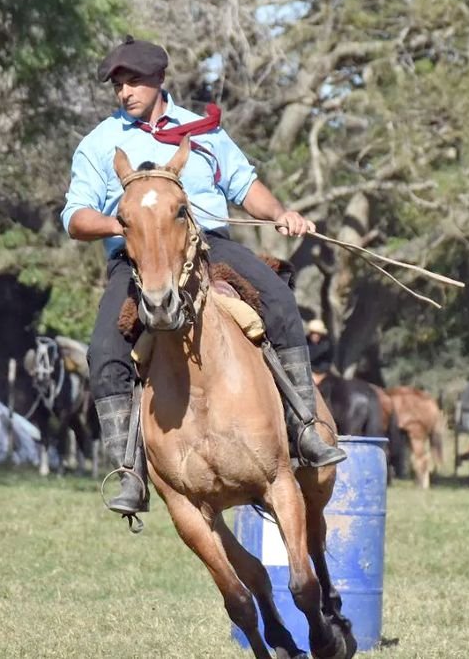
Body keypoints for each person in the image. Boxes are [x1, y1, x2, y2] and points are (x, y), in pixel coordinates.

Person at [62, 36, 346, 518]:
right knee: (105, 351)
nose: (124, 91)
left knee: (278, 300)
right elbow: (75, 217)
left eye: (133, 81)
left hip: (213, 246)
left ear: (160, 80)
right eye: (117, 84)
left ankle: (304, 428)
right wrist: (132, 224)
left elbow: (245, 187)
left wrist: (281, 213)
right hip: (138, 258)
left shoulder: (205, 132)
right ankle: (129, 471)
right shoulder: (100, 143)